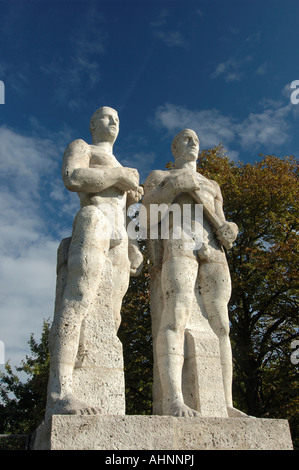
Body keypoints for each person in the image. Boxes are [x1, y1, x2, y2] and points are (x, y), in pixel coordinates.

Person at [46, 107, 143, 417]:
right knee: (76, 301)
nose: (113, 121)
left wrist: (133, 246)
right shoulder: (82, 147)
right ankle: (62, 392)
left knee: (110, 321)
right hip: (94, 221)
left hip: (120, 240)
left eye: (117, 118)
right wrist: (119, 176)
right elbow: (73, 177)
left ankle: (104, 395)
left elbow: (125, 210)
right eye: (105, 116)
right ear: (92, 124)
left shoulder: (122, 166)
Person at [143, 128, 244, 417]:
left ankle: (226, 402)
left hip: (212, 248)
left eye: (196, 140)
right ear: (175, 147)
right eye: (187, 139)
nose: (193, 143)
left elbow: (223, 222)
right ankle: (174, 398)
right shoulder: (160, 177)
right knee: (175, 313)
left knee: (221, 324)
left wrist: (231, 229)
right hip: (179, 239)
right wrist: (173, 188)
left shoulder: (211, 184)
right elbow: (146, 214)